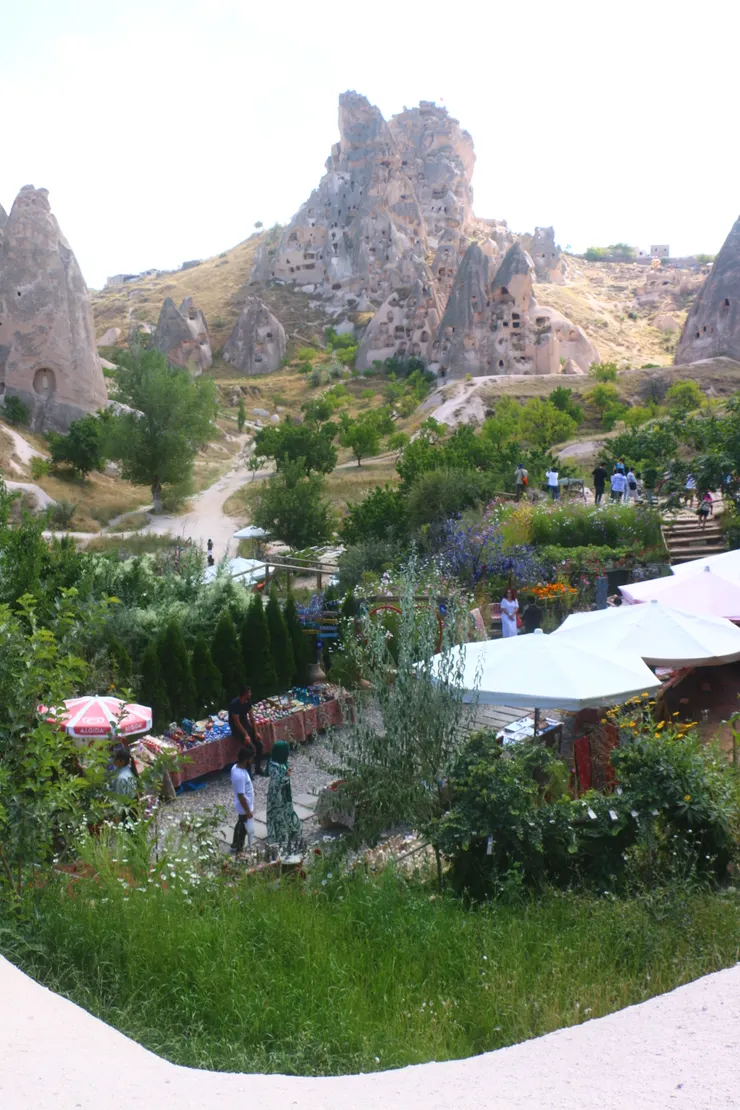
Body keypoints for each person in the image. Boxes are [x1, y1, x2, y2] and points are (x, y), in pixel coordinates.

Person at [266, 740, 303, 855]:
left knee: (284, 812)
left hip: (279, 794)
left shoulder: (273, 761)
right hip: (278, 795)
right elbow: (278, 783)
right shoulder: (277, 767)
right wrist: (287, 776)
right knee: (279, 814)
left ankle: (289, 831)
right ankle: (281, 837)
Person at [229, 686, 264, 775]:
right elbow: (236, 722)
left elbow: (251, 718)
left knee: (259, 744)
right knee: (250, 748)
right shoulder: (235, 704)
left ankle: (258, 768)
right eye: (249, 692)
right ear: (245, 694)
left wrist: (255, 732)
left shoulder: (248, 701)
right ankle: (247, 770)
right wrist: (246, 735)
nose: (251, 694)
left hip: (245, 723)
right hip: (237, 727)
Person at [230, 745, 255, 855]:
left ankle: (235, 844)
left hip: (245, 805)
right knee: (243, 828)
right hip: (244, 806)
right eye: (251, 758)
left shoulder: (236, 767)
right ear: (246, 760)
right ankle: (239, 848)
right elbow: (241, 796)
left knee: (240, 823)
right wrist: (248, 811)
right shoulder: (239, 775)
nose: (252, 760)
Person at [109, 743, 138, 823]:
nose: (113, 761)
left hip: (125, 811)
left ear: (121, 761)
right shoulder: (128, 770)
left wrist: (117, 816)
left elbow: (120, 799)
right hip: (132, 806)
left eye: (115, 759)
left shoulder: (121, 778)